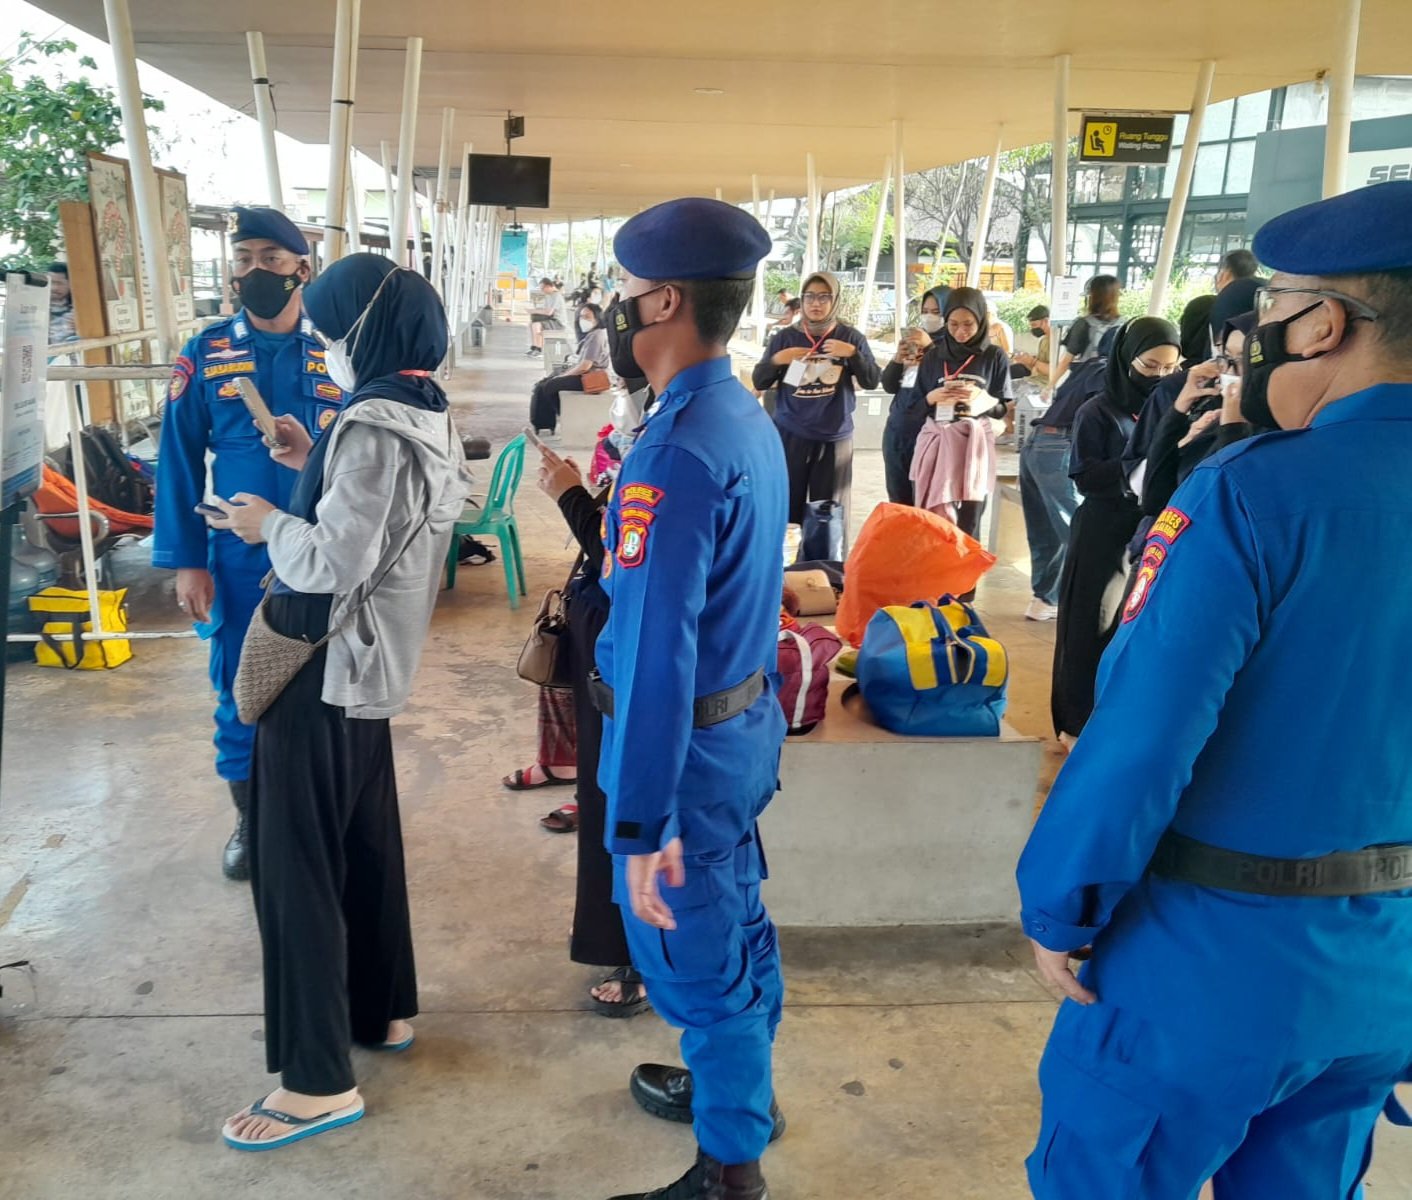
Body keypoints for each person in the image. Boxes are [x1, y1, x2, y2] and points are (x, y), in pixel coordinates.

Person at [1019, 180, 1412, 1200]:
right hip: (1383, 972)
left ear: (1322, 324)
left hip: (1208, 960)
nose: (1253, 338)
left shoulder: (1253, 493)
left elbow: (1144, 734)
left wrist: (1062, 903)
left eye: (1271, 309)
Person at [207, 253, 466, 1152]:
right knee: (363, 845)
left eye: (329, 329)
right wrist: (305, 457)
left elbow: (333, 559)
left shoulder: (368, 425)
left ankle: (316, 1083)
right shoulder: (424, 409)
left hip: (318, 667)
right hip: (368, 668)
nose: (323, 345)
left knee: (295, 868)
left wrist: (265, 523)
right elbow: (383, 522)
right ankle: (377, 1010)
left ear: (365, 329)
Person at [596, 197, 787, 1200]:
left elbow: (654, 658)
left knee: (696, 959)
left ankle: (729, 1172)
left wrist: (640, 823)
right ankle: (739, 1096)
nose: (614, 309)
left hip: (683, 757)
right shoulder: (738, 415)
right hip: (738, 731)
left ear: (664, 301)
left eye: (623, 291)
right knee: (736, 921)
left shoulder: (673, 451)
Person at [152, 207, 344, 881]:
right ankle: (250, 818)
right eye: (243, 259)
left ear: (301, 269)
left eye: (270, 258)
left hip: (322, 551)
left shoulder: (334, 353)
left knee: (325, 684)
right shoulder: (205, 353)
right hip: (237, 557)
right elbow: (177, 461)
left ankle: (317, 813)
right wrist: (187, 562)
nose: (254, 270)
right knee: (240, 686)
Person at [535, 443, 650, 1017]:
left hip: (629, 655)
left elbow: (624, 557)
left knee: (622, 799)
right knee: (600, 790)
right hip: (605, 641)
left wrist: (571, 498)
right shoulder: (668, 427)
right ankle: (618, 938)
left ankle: (637, 953)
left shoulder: (684, 442)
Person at [1050, 317, 1179, 746]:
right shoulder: (1098, 410)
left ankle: (1111, 719)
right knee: (1091, 624)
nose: (1159, 377)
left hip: (1151, 531)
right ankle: (1074, 722)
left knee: (1129, 627)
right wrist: (1136, 469)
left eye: (1169, 368)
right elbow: (1084, 475)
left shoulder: (1176, 408)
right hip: (1104, 528)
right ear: (1126, 360)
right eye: (1149, 366)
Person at [752, 270, 880, 526]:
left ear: (835, 301)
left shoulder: (850, 337)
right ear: (802, 300)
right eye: (809, 296)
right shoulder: (785, 337)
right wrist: (779, 359)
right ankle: (789, 553)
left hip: (834, 435)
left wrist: (853, 354)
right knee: (787, 508)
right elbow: (760, 381)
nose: (816, 304)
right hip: (791, 432)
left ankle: (827, 553)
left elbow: (872, 380)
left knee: (829, 514)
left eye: (824, 297)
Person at [910, 286, 1012, 541]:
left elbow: (1002, 407)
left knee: (970, 519)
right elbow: (913, 408)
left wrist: (982, 400)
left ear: (981, 320)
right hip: (938, 445)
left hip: (973, 447)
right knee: (935, 520)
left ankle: (966, 567)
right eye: (953, 324)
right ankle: (939, 565)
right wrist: (932, 397)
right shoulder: (933, 356)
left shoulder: (994, 356)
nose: (960, 331)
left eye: (968, 324)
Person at [529, 302, 610, 436]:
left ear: (597, 318)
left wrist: (563, 376)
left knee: (550, 385)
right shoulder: (592, 334)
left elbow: (585, 366)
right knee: (542, 384)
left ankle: (564, 416)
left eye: (587, 317)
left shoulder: (597, 336)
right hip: (585, 375)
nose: (583, 320)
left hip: (591, 378)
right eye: (581, 317)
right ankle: (544, 423)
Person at [1054, 274, 1122, 385]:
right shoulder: (1124, 325)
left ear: (1092, 297)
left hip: (1086, 382)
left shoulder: (1083, 324)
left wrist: (1051, 385)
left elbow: (1066, 360)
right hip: (1112, 383)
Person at [527, 276, 568, 357]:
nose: (542, 290)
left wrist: (534, 311)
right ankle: (535, 347)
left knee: (536, 325)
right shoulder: (548, 295)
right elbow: (545, 309)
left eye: (543, 288)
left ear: (548, 286)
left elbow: (549, 312)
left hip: (558, 322)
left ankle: (539, 350)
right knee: (531, 324)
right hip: (551, 320)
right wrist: (536, 310)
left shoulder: (557, 296)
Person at [1010, 305, 1051, 384]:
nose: (1032, 329)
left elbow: (1053, 371)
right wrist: (1025, 361)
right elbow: (1036, 367)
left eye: (1034, 325)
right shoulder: (1044, 341)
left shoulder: (1057, 344)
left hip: (1046, 385)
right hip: (1036, 380)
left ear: (1045, 321)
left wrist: (1032, 361)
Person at [45, 262, 77, 344]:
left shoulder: (79, 307)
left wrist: (80, 327)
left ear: (70, 284)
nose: (54, 288)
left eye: (59, 283)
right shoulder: (37, 307)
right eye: (51, 282)